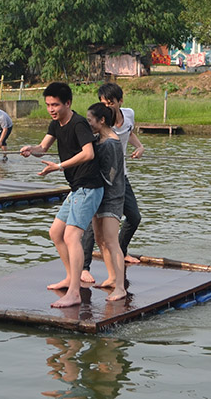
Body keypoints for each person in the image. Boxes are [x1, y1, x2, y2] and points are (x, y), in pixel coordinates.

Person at [20, 82, 104, 308]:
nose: (51, 109)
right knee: (56, 232)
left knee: (71, 237)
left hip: (89, 187)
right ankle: (69, 277)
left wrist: (59, 166)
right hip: (77, 188)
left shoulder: (78, 124)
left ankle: (75, 292)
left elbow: (88, 153)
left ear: (68, 103)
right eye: (48, 105)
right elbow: (43, 148)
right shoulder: (56, 124)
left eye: (55, 104)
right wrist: (31, 149)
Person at [81, 83, 144, 284]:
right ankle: (84, 267)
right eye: (103, 103)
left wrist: (140, 146)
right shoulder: (100, 122)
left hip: (120, 177)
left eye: (110, 103)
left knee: (134, 217)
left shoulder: (129, 115)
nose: (107, 106)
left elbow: (129, 132)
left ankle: (121, 251)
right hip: (101, 179)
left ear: (120, 101)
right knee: (95, 224)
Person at [85, 102, 126, 301]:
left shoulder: (111, 142)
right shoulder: (98, 139)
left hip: (111, 196)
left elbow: (111, 173)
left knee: (111, 241)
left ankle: (120, 286)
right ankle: (111, 276)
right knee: (100, 239)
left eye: (90, 120)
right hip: (98, 194)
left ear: (101, 121)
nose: (89, 124)